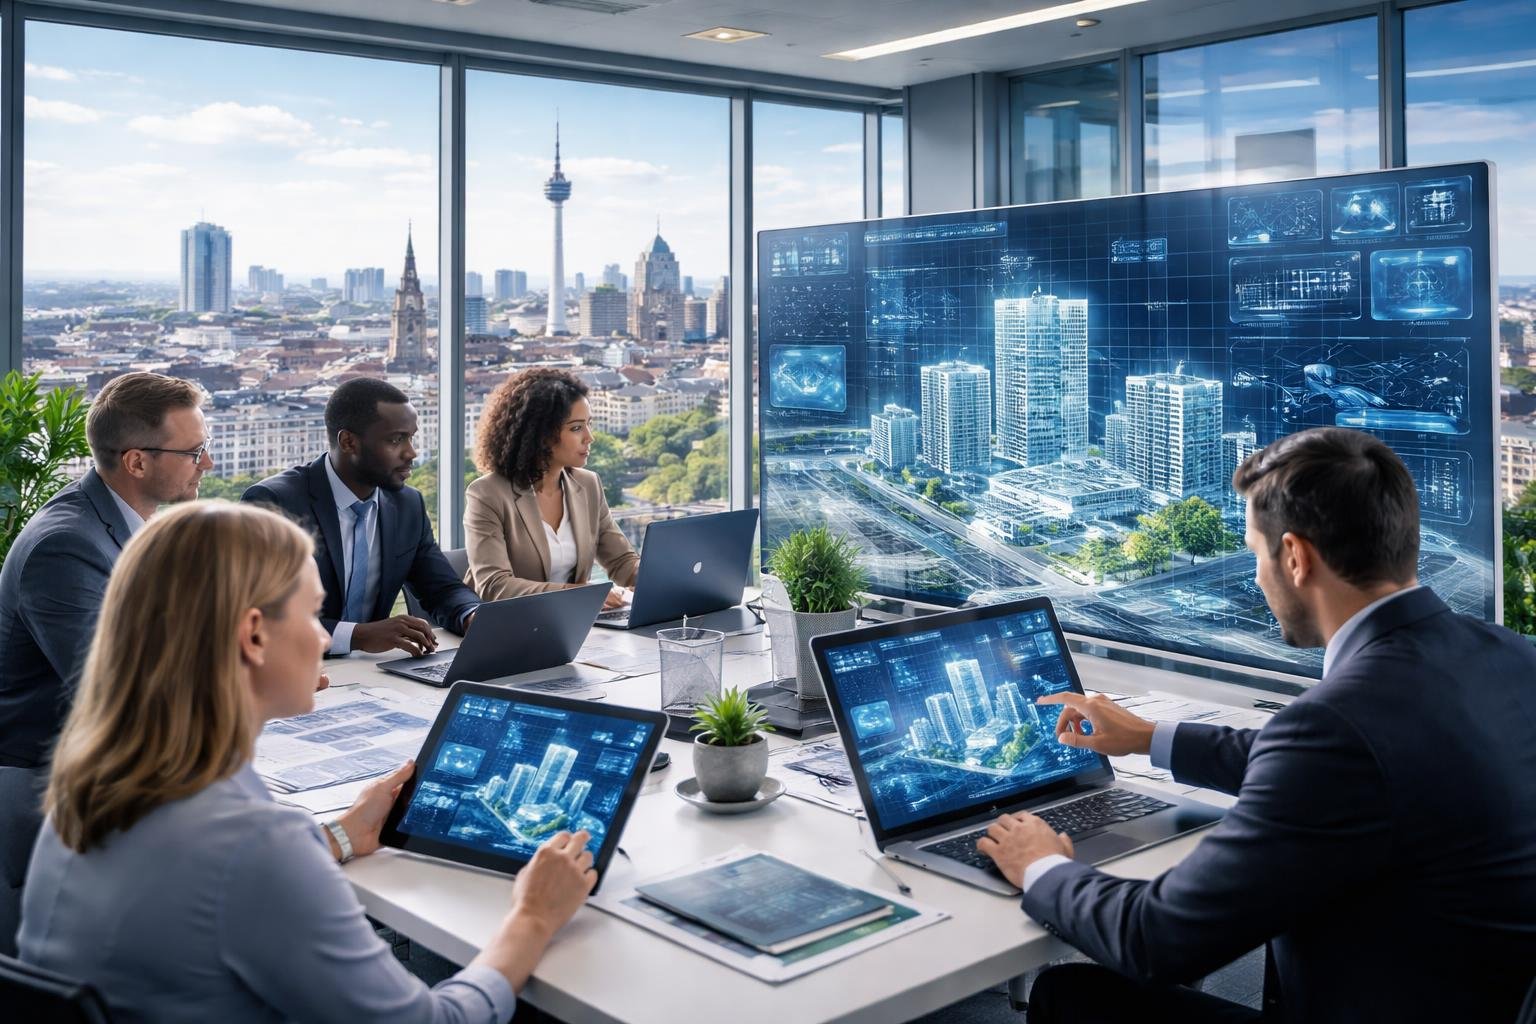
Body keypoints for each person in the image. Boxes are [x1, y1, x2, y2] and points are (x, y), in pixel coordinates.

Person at [978, 427, 1536, 1024]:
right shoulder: (1512, 657)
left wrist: (1039, 862)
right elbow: (1366, 760)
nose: (1256, 577)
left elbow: (1153, 939)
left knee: (1071, 996)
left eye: (1254, 553)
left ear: (1295, 558)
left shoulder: (1335, 726)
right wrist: (1148, 737)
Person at [18, 501, 596, 1022]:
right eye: (312, 615)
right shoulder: (253, 845)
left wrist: (341, 836)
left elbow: (209, 890)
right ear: (253, 636)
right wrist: (534, 916)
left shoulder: (92, 789)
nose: (323, 640)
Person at [0, 371, 210, 769]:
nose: (208, 464)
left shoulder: (121, 520)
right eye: (194, 453)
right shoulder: (65, 547)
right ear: (136, 463)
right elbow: (114, 691)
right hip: (49, 781)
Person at [242, 378, 479, 657]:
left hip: (371, 672)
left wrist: (472, 616)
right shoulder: (275, 503)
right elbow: (259, 616)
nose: (411, 452)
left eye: (411, 437)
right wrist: (357, 635)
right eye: (395, 439)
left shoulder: (407, 504)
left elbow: (442, 589)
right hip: (291, 667)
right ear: (349, 442)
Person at [464, 368, 637, 610]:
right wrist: (580, 594)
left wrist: (663, 576)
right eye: (576, 428)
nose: (590, 437)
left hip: (573, 626)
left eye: (589, 424)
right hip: (505, 628)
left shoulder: (588, 484)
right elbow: (495, 586)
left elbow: (621, 561)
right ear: (541, 434)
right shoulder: (487, 494)